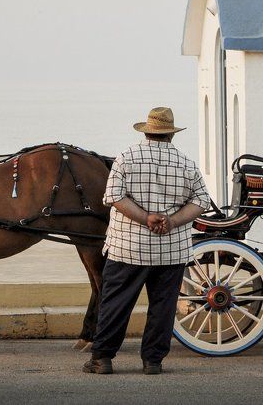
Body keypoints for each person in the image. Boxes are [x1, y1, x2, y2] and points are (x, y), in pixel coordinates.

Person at [83, 106, 212, 375]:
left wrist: (145, 218)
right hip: (171, 250)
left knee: (115, 304)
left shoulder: (126, 157)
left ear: (147, 132)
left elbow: (114, 196)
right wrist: (172, 221)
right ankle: (153, 361)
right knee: (163, 307)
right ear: (171, 134)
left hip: (128, 248)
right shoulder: (186, 163)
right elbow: (202, 200)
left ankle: (102, 359)